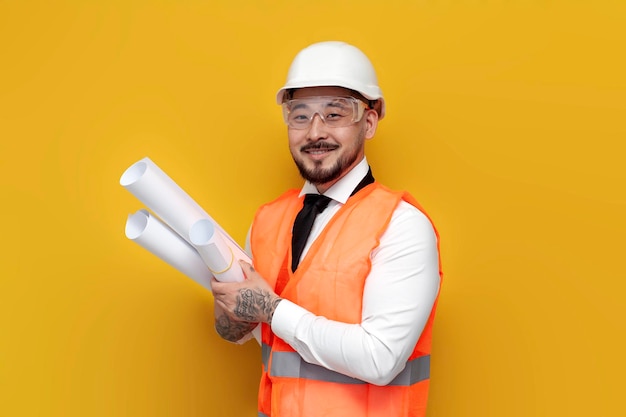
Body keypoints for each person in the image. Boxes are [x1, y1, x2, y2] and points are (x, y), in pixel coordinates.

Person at [211, 41, 442, 417]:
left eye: (334, 114)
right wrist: (230, 318)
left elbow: (380, 359)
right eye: (300, 115)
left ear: (368, 122)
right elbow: (256, 334)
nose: (315, 132)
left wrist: (271, 309)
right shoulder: (267, 220)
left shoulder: (402, 225)